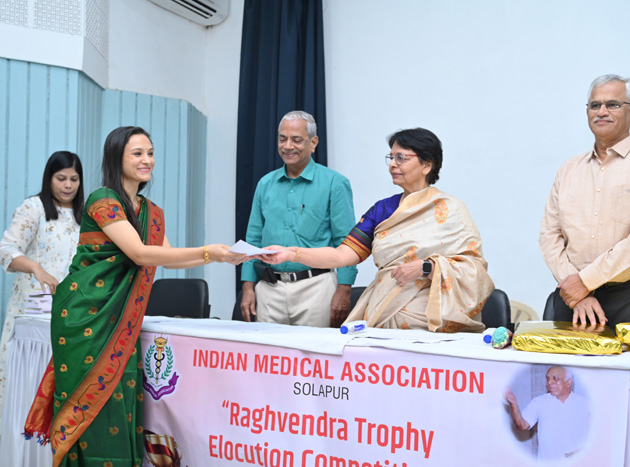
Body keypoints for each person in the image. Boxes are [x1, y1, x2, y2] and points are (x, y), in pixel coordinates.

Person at [23, 126, 248, 467]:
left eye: (150, 153)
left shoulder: (149, 211)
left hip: (121, 323)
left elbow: (167, 257)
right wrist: (208, 253)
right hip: (85, 317)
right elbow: (140, 254)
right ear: (117, 158)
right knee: (89, 410)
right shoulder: (102, 200)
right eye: (137, 153)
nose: (147, 160)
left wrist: (222, 256)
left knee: (121, 402)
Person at [261, 128, 494, 332]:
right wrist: (291, 253)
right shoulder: (382, 210)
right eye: (391, 157)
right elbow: (342, 256)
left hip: (433, 327)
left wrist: (427, 267)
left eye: (401, 158)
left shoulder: (451, 209)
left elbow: (474, 269)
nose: (393, 164)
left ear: (426, 164)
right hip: (384, 317)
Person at [540, 74, 630, 328]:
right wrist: (576, 288)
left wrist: (586, 280)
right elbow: (549, 235)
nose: (601, 112)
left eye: (613, 104)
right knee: (564, 358)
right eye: (595, 105)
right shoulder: (568, 169)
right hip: (574, 300)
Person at [240, 110, 357, 327]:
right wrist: (248, 286)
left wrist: (344, 288)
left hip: (316, 287)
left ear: (313, 143)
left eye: (296, 140)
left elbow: (346, 242)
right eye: (282, 139)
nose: (287, 146)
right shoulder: (265, 184)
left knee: (315, 350)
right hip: (269, 289)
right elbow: (253, 238)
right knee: (267, 349)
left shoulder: (335, 183)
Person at [0, 151, 84, 429]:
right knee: (28, 381)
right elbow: (6, 250)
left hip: (71, 312)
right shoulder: (33, 208)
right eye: (61, 178)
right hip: (33, 311)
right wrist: (35, 267)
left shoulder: (86, 216)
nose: (68, 185)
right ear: (49, 178)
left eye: (74, 179)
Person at [505, 366, 590, 460]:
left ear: (569, 383)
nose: (549, 382)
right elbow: (522, 425)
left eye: (555, 378)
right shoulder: (540, 402)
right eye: (548, 378)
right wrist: (513, 404)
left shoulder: (586, 404)